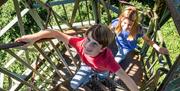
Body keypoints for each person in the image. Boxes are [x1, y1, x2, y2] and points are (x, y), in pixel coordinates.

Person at [15, 24, 139, 91]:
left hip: (102, 69)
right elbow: (54, 33)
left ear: (102, 49)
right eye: (88, 39)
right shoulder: (80, 43)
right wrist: (33, 37)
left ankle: (99, 80)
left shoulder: (108, 60)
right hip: (86, 66)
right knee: (74, 85)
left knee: (102, 77)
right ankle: (89, 80)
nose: (87, 46)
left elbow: (125, 76)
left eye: (94, 43)